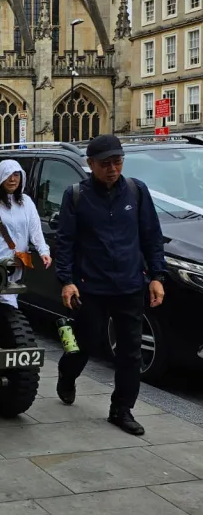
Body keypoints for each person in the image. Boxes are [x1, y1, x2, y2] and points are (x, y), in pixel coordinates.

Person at [55, 134, 166, 436]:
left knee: (130, 353)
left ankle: (122, 409)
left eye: (117, 162)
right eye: (105, 163)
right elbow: (64, 241)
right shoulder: (76, 195)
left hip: (130, 286)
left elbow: (151, 236)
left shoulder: (136, 191)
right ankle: (67, 374)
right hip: (91, 287)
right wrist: (66, 281)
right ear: (90, 164)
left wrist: (156, 276)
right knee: (84, 343)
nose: (113, 168)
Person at [0, 158, 52, 308]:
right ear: (0, 177)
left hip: (17, 266)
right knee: (4, 308)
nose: (12, 179)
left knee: (5, 306)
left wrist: (43, 251)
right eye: (8, 175)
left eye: (16, 175)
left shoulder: (27, 202)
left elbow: (35, 230)